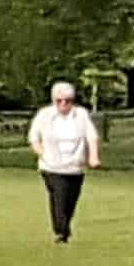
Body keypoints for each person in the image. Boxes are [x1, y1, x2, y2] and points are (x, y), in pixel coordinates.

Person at [28, 78, 102, 243]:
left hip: (76, 166)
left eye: (67, 101)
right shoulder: (44, 115)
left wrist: (93, 156)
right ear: (54, 101)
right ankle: (61, 231)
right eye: (59, 101)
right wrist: (42, 153)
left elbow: (92, 136)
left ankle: (63, 228)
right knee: (60, 196)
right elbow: (34, 138)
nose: (63, 104)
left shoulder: (81, 115)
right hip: (51, 166)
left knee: (70, 200)